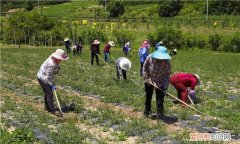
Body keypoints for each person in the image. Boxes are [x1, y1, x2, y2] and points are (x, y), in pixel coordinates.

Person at [142, 46, 171, 119]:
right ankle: (146, 112)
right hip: (149, 79)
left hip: (160, 81)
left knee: (160, 99)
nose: (160, 59)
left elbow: (167, 74)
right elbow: (144, 67)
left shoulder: (167, 62)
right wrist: (146, 78)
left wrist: (165, 85)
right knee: (148, 97)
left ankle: (159, 115)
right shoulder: (150, 57)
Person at [37, 49, 68, 116]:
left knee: (47, 92)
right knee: (49, 93)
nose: (61, 60)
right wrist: (52, 84)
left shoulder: (54, 58)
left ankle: (47, 108)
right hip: (42, 78)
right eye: (61, 59)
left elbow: (52, 74)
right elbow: (48, 76)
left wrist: (52, 83)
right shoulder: (51, 64)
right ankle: (53, 110)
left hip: (46, 76)